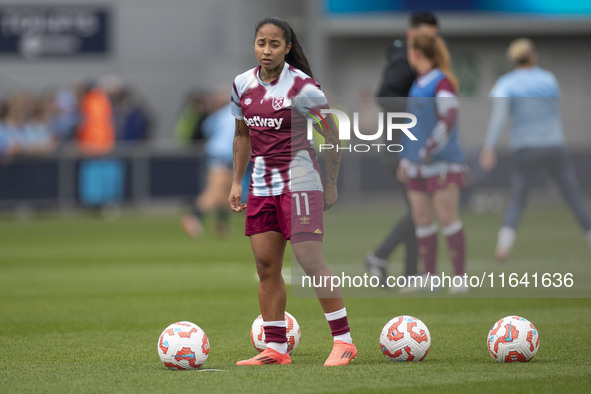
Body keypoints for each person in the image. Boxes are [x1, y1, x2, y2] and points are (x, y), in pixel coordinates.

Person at [229, 16, 356, 366]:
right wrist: (235, 182)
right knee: (266, 266)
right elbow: (242, 136)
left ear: (287, 48)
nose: (266, 50)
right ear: (254, 45)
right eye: (261, 43)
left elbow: (333, 135)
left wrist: (329, 183)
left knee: (309, 260)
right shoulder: (241, 84)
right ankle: (275, 349)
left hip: (300, 184)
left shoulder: (304, 88)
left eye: (274, 44)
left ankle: (343, 341)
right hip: (261, 187)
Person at [479, 38, 591, 260]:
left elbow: (499, 117)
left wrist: (488, 147)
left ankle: (503, 246)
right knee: (574, 197)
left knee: (519, 198)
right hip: (553, 144)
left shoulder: (507, 83)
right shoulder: (549, 79)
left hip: (525, 147)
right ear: (533, 56)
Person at [365, 11, 439, 287]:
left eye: (434, 37)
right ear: (411, 35)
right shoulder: (404, 61)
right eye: (426, 36)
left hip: (412, 146)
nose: (432, 42)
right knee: (421, 210)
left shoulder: (421, 63)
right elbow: (384, 96)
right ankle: (380, 256)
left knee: (418, 210)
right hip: (401, 147)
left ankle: (409, 274)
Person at [398, 33, 467, 293]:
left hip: (441, 163)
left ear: (418, 53)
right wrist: (405, 156)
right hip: (417, 165)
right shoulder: (418, 82)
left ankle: (459, 278)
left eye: (410, 50)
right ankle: (429, 277)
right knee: (422, 218)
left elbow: (449, 116)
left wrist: (430, 147)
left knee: (448, 217)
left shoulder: (441, 82)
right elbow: (411, 124)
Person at [181, 88, 235, 238]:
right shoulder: (238, 114)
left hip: (216, 154)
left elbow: (206, 128)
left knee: (226, 191)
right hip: (222, 156)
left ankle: (221, 225)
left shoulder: (220, 115)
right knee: (215, 191)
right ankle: (193, 217)